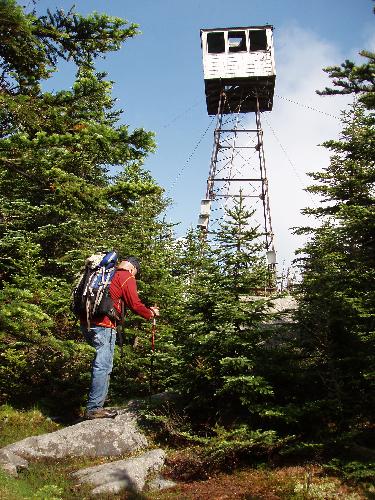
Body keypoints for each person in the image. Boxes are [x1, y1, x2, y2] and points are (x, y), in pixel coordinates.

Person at [82, 256, 159, 419]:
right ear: (133, 269)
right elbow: (135, 304)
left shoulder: (107, 274)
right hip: (104, 325)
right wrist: (150, 313)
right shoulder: (126, 276)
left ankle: (97, 404)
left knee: (101, 364)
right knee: (103, 365)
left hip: (87, 323)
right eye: (135, 273)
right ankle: (94, 408)